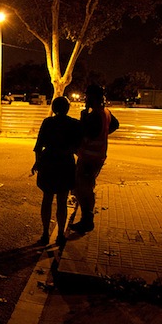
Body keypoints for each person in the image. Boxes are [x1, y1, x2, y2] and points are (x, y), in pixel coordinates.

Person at [31, 96, 82, 246]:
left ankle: (45, 234)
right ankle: (60, 234)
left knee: (47, 199)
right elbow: (78, 146)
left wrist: (38, 162)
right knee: (62, 200)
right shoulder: (74, 124)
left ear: (53, 108)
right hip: (65, 163)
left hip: (48, 162)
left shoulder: (48, 122)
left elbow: (38, 147)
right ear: (67, 108)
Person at [70, 85, 119, 234]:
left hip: (89, 158)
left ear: (93, 97)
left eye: (88, 96)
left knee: (83, 189)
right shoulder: (105, 112)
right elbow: (115, 125)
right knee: (85, 187)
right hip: (96, 157)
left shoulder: (95, 115)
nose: (86, 99)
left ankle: (87, 220)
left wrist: (83, 119)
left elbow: (87, 133)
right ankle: (86, 219)